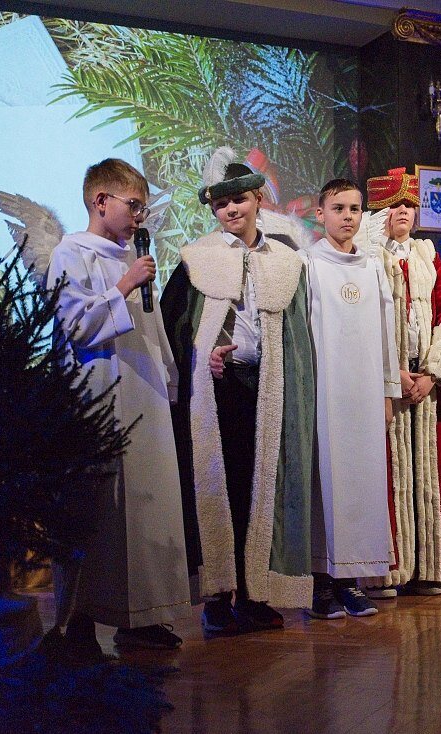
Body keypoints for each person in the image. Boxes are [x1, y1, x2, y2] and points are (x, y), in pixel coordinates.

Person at [162, 149, 315, 635]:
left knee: (259, 489)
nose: (231, 210)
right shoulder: (196, 260)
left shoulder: (286, 261)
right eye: (221, 203)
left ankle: (254, 593)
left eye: (240, 200)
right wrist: (200, 355)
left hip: (267, 388)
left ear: (258, 200)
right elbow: (174, 327)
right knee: (218, 487)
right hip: (218, 392)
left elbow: (298, 336)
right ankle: (217, 597)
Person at [46, 158, 190, 657]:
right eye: (133, 205)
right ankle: (78, 623)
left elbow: (151, 326)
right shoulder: (71, 253)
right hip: (99, 395)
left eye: (143, 207)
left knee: (149, 509)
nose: (139, 216)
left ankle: (142, 617)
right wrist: (124, 285)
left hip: (145, 397)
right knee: (99, 513)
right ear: (100, 200)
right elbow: (75, 326)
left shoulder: (134, 258)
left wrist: (169, 377)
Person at [363, 167, 441, 596]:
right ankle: (387, 568)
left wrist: (432, 374)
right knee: (387, 473)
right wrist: (391, 373)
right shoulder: (366, 258)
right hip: (385, 381)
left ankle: (427, 567)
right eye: (393, 205)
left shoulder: (427, 254)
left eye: (408, 204)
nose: (402, 211)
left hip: (425, 382)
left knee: (428, 476)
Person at [302, 178, 399, 619]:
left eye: (354, 209)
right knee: (326, 485)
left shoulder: (372, 266)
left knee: (362, 484)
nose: (347, 217)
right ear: (320, 213)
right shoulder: (308, 264)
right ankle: (321, 583)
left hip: (365, 393)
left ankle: (351, 580)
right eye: (338, 208)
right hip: (325, 392)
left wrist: (388, 391)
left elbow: (386, 333)